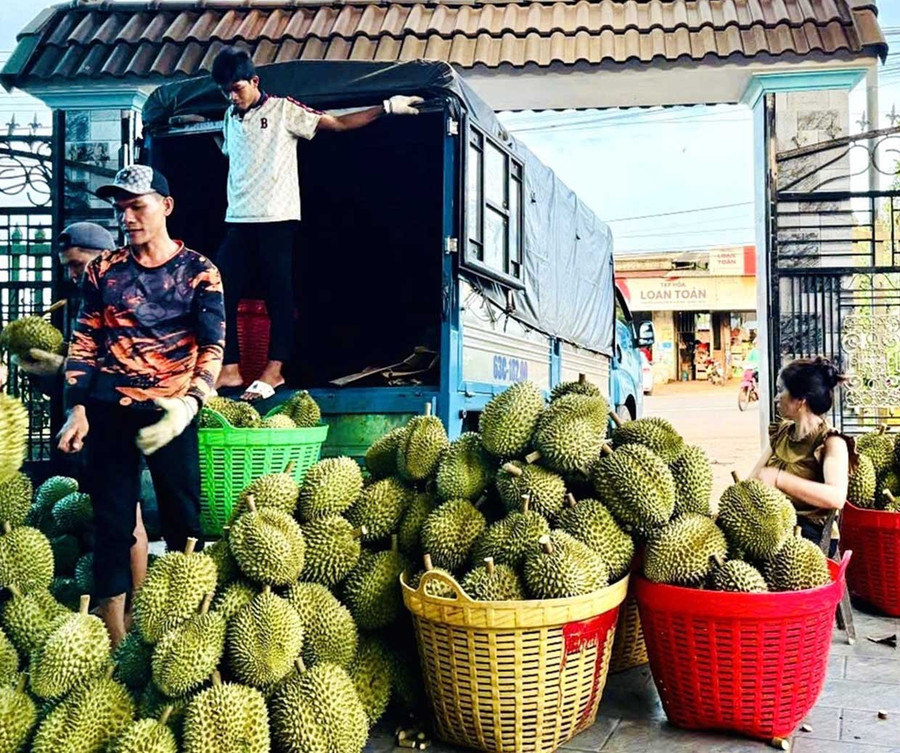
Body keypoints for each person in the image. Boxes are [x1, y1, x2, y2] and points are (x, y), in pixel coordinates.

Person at [56, 166, 225, 644]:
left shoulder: (200, 272)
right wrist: (77, 407)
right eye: (120, 208)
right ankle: (115, 633)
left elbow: (213, 347)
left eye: (137, 206)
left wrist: (190, 403)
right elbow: (84, 342)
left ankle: (186, 628)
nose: (126, 217)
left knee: (183, 520)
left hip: (172, 412)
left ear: (165, 206)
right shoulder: (103, 271)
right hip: (110, 409)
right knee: (112, 521)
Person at [210, 46, 423, 401]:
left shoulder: (283, 110)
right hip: (238, 218)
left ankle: (275, 370)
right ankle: (230, 369)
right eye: (225, 91)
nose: (233, 96)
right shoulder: (230, 117)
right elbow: (231, 150)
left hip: (276, 218)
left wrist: (387, 107)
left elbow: (337, 123)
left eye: (237, 89)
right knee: (218, 290)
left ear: (255, 81)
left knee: (279, 295)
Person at [13, 223, 151, 594]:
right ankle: (115, 605)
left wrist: (60, 367)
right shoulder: (89, 301)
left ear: (104, 256)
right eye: (68, 268)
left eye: (78, 264)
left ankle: (135, 607)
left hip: (119, 424)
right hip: (88, 426)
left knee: (127, 519)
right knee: (109, 520)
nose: (73, 275)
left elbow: (126, 367)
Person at [750, 357, 855, 552]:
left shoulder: (831, 442)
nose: (776, 398)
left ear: (800, 400)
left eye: (781, 390)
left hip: (808, 536)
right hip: (769, 525)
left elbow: (836, 496)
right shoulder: (782, 433)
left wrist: (780, 479)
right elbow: (753, 479)